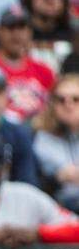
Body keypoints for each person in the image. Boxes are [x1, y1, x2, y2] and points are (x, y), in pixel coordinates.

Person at [0, 5, 56, 123]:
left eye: (22, 27)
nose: (16, 33)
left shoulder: (44, 71)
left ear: (30, 32)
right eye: (11, 27)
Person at [33, 74, 79, 211]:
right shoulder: (39, 139)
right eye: (61, 100)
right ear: (52, 104)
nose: (69, 105)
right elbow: (33, 183)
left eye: (76, 99)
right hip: (56, 208)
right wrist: (57, 178)